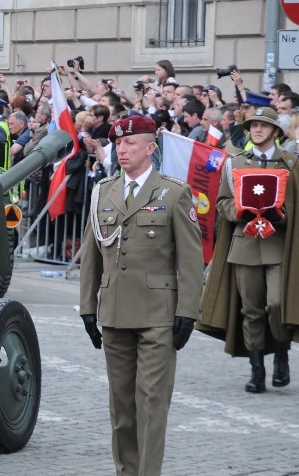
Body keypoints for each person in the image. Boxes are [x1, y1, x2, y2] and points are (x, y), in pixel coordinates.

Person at [80, 114, 203, 476]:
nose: (122, 149)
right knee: (121, 409)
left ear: (150, 148)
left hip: (157, 317)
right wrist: (88, 307)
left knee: (151, 404)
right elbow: (92, 255)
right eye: (118, 143)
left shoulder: (173, 192)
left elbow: (191, 260)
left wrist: (188, 311)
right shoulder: (103, 192)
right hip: (115, 313)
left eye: (130, 143)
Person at [198, 107, 299, 393]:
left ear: (276, 131)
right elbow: (222, 202)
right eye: (253, 126)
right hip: (245, 244)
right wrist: (240, 212)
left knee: (276, 303)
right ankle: (257, 368)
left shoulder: (292, 165)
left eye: (264, 125)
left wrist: (280, 215)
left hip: (278, 245)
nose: (257, 130)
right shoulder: (235, 163)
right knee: (251, 310)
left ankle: (282, 353)